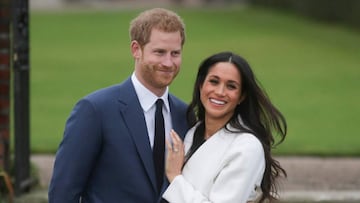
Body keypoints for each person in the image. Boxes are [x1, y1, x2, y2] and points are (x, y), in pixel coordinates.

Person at [48, 8, 190, 203]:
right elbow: (63, 193)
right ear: (136, 49)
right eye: (159, 52)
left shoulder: (185, 115)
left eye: (175, 53)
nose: (168, 62)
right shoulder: (95, 110)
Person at [162, 51, 287, 203]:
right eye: (214, 81)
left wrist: (175, 177)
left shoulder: (247, 147)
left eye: (231, 86)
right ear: (201, 86)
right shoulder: (193, 131)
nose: (220, 92)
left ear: (241, 96)